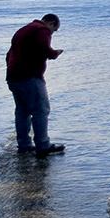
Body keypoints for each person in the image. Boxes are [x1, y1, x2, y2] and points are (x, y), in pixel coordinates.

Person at [6, 13, 65, 158]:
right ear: (51, 23)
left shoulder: (23, 30)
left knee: (22, 111)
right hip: (30, 76)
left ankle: (24, 145)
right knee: (41, 110)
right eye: (54, 30)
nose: (52, 33)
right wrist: (55, 53)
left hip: (14, 76)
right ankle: (42, 145)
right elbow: (45, 49)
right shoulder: (41, 30)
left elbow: (9, 54)